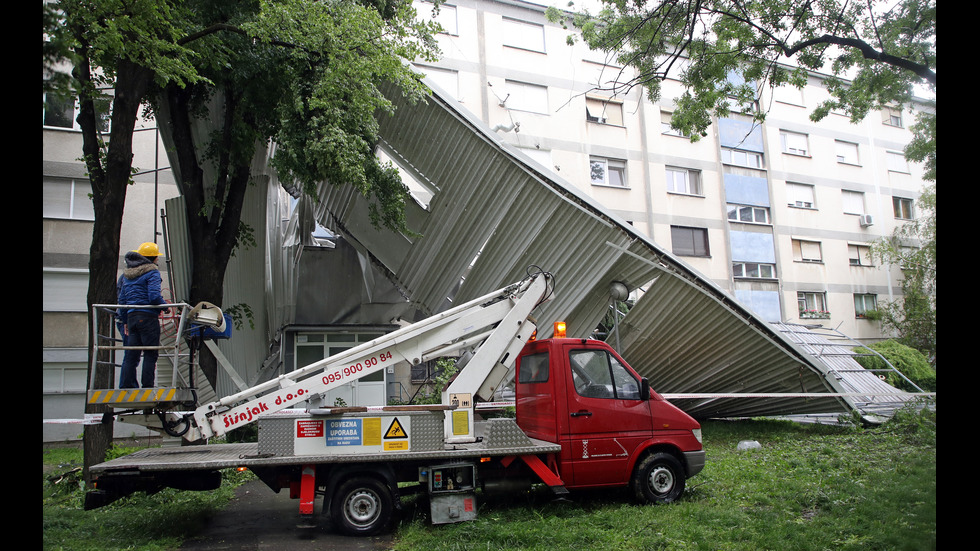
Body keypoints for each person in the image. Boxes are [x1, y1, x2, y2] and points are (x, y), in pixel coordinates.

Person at [118, 242, 167, 388]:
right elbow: (153, 296)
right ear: (152, 258)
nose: (158, 260)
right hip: (147, 318)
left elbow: (122, 300)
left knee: (131, 355)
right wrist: (165, 307)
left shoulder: (127, 274)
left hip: (132, 318)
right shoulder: (152, 272)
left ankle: (126, 386)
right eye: (157, 258)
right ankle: (147, 387)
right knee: (150, 354)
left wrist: (125, 320)